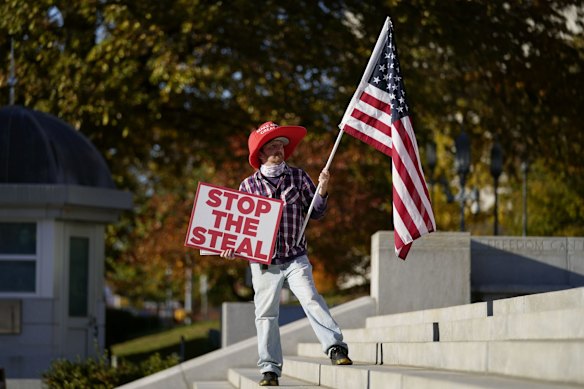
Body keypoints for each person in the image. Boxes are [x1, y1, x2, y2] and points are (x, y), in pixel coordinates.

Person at [221, 121, 352, 386]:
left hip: (295, 255)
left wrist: (323, 188)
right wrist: (231, 247)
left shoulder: (299, 177)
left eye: (281, 145)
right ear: (260, 152)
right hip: (264, 262)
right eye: (272, 146)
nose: (278, 150)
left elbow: (315, 212)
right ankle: (269, 369)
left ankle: (335, 347)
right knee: (266, 313)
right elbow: (239, 230)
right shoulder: (248, 187)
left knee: (310, 298)